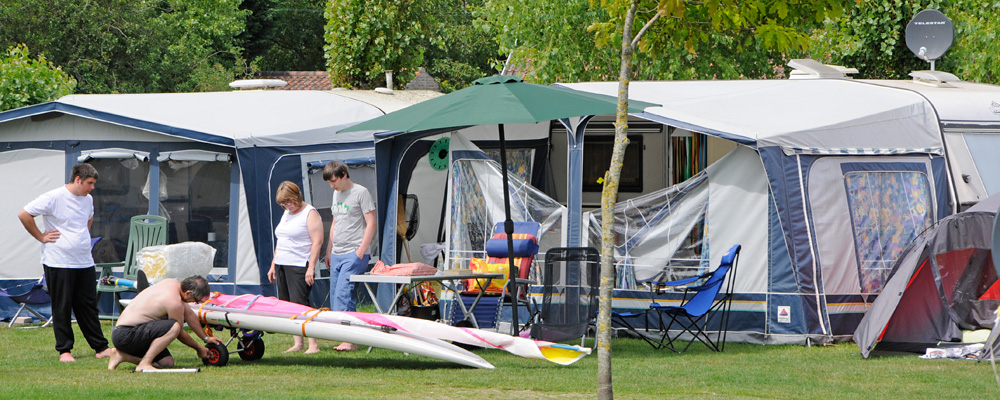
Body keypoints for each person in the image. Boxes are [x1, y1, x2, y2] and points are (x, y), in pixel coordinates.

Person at [18, 162, 112, 363]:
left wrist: (81, 238)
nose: (92, 187)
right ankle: (65, 351)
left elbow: (89, 219)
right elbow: (24, 214)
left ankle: (101, 347)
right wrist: (41, 237)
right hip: (58, 261)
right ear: (78, 179)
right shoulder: (53, 197)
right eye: (89, 183)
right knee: (62, 306)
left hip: (84, 261)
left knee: (88, 306)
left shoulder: (88, 199)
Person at [107, 275, 223, 371]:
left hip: (128, 333)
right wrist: (199, 348)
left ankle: (121, 356)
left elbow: (190, 315)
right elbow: (178, 332)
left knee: (167, 363)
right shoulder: (174, 302)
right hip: (126, 334)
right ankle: (144, 363)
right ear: (188, 293)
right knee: (174, 326)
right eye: (196, 300)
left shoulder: (172, 283)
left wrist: (206, 339)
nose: (196, 303)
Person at [324, 161, 376, 351]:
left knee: (344, 294)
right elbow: (336, 222)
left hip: (354, 252)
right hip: (337, 252)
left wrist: (361, 250)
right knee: (336, 297)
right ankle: (346, 335)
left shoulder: (361, 192)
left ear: (344, 174)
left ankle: (349, 340)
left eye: (334, 181)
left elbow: (371, 222)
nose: (332, 185)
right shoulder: (335, 193)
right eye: (330, 182)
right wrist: (329, 249)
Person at [267, 181, 323, 354]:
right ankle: (298, 342)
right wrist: (273, 264)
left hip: (299, 263)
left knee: (301, 303)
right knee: (287, 304)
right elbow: (281, 240)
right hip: (282, 262)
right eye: (283, 203)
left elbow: (317, 242)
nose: (286, 206)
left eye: (289, 202)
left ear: (296, 197)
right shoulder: (287, 212)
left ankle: (313, 344)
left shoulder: (309, 213)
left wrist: (311, 267)